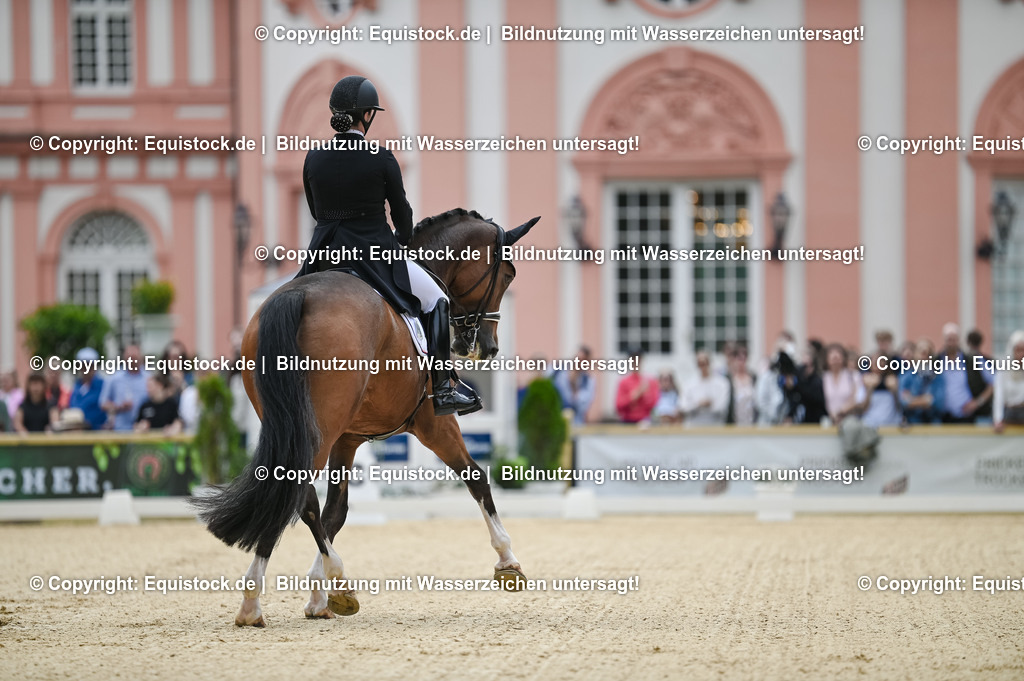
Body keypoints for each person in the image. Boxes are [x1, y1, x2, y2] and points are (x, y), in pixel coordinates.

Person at [294, 75, 478, 417]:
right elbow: (402, 214)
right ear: (367, 115)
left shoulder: (313, 158)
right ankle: (443, 389)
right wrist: (401, 241)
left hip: (324, 256)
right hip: (375, 255)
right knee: (436, 298)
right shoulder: (380, 157)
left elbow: (315, 211)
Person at [937, 323, 993, 423]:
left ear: (959, 340)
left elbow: (993, 383)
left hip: (968, 417)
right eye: (948, 340)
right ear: (944, 341)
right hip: (943, 418)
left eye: (953, 340)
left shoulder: (973, 360)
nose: (950, 343)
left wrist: (978, 402)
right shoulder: (936, 361)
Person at [100, 345, 150, 431]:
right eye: (129, 358)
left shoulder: (149, 378)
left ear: (141, 358)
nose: (132, 361)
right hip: (121, 429)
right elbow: (103, 403)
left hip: (143, 431)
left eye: (135, 358)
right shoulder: (114, 378)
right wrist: (118, 407)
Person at [899, 339, 945, 424]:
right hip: (911, 425)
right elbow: (903, 402)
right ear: (915, 354)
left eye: (928, 352)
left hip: (933, 425)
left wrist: (912, 400)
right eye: (921, 351)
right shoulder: (906, 377)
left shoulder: (938, 378)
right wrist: (926, 400)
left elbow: (939, 403)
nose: (924, 354)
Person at [681, 351, 730, 426]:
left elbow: (721, 407)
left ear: (710, 363)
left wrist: (709, 404)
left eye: (705, 363)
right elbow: (683, 407)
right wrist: (699, 404)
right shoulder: (689, 384)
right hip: (694, 428)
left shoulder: (722, 383)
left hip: (715, 428)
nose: (703, 367)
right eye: (700, 364)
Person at [551, 345, 596, 424]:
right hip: (554, 420)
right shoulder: (558, 372)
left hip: (575, 424)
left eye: (582, 361)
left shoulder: (588, 381)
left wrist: (574, 385)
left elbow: (583, 407)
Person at [856, 353, 901, 427]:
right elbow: (862, 408)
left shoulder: (893, 380)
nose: (877, 364)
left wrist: (894, 390)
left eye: (881, 361)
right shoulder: (865, 381)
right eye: (874, 361)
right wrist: (869, 389)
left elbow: (900, 405)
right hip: (869, 425)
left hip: (891, 425)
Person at [615, 348, 659, 424]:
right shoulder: (624, 382)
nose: (635, 362)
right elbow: (619, 406)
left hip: (645, 420)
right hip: (627, 420)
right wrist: (635, 395)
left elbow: (654, 404)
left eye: (638, 359)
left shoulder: (650, 381)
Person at [67, 347, 107, 430]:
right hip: (77, 432)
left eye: (90, 366)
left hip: (97, 432)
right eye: (83, 366)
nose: (86, 369)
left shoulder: (103, 385)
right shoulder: (77, 385)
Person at [822, 343, 862, 425]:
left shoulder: (853, 375)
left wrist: (840, 412)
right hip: (829, 421)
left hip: (850, 420)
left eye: (838, 354)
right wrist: (832, 415)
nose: (835, 356)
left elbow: (858, 397)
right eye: (832, 354)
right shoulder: (823, 377)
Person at [994, 330, 1024, 433]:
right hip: (1009, 414)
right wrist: (998, 419)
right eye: (1018, 350)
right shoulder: (1004, 369)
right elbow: (999, 395)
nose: (1021, 354)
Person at [726, 345, 757, 425]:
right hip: (735, 422)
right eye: (739, 359)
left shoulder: (754, 378)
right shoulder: (729, 379)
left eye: (744, 359)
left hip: (751, 421)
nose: (741, 362)